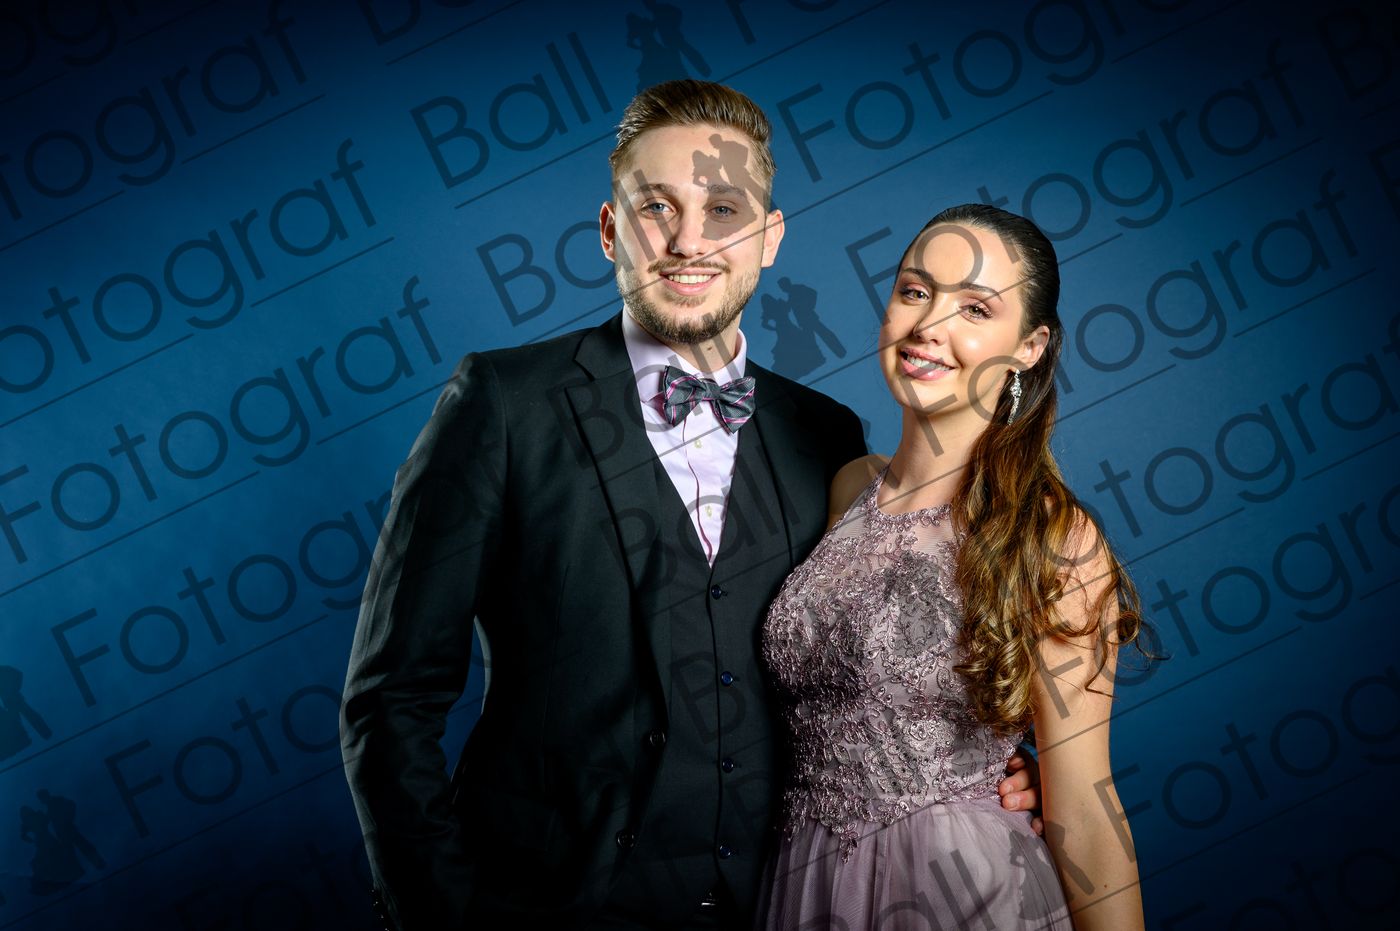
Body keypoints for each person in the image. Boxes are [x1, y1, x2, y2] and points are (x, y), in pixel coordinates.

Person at [339, 81, 1042, 930]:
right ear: (610, 230)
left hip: (777, 906)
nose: (687, 240)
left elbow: (877, 658)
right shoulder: (502, 404)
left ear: (769, 238)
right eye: (656, 207)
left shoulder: (827, 435)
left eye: (723, 210)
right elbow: (391, 700)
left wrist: (988, 770)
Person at [757, 203, 1148, 930]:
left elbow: (1086, 807)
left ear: (1029, 346)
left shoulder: (1052, 537)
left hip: (957, 890)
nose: (929, 325)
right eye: (915, 291)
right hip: (802, 884)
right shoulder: (847, 488)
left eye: (975, 308)